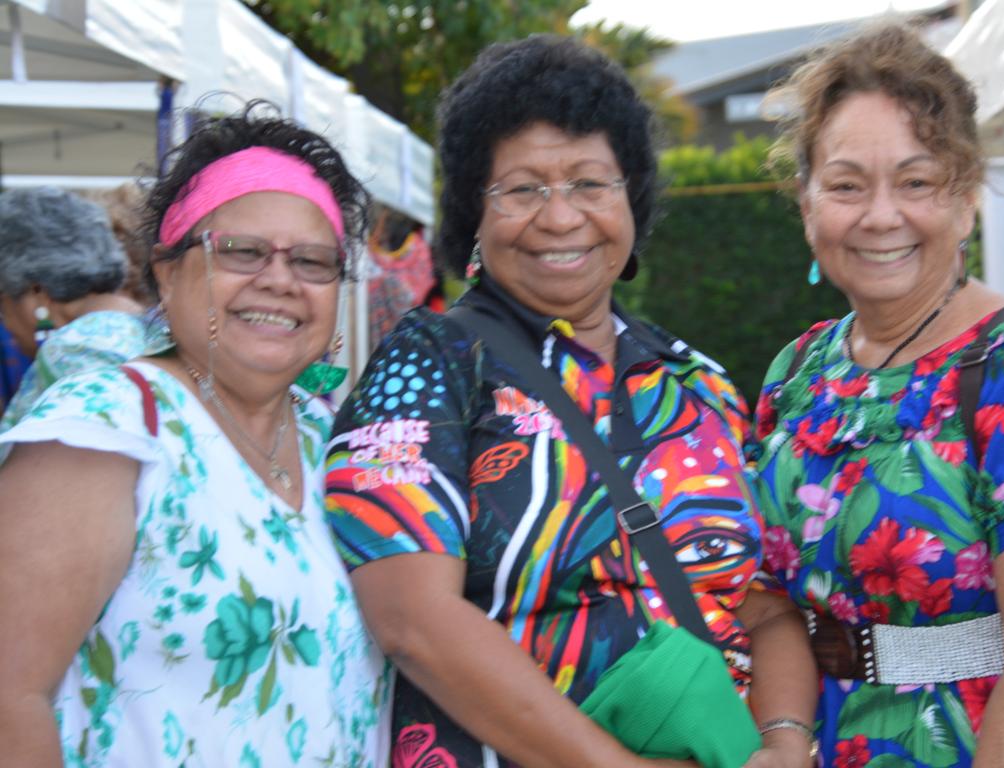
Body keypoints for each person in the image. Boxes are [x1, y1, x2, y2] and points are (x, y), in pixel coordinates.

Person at [325, 35, 817, 768]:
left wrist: (782, 743)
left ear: (632, 196)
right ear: (474, 212)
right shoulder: (429, 364)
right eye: (523, 189)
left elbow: (769, 605)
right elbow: (410, 620)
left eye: (590, 183)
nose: (560, 219)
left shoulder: (697, 383)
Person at [0, 103, 389, 766]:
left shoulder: (337, 441)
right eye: (241, 251)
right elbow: (10, 698)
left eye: (313, 262)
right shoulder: (105, 429)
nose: (279, 280)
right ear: (167, 269)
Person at [753, 24, 1004, 767]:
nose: (879, 216)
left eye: (916, 181)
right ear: (806, 203)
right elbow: (773, 600)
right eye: (845, 184)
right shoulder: (799, 372)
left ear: (966, 198)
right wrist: (782, 741)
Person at [0, 187, 146, 430]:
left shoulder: (70, 354)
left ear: (38, 292)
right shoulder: (157, 326)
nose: (5, 324)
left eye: (2, 304)